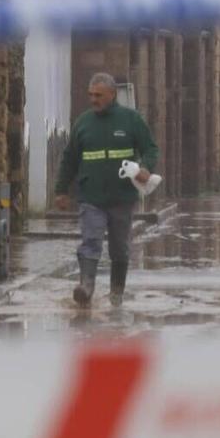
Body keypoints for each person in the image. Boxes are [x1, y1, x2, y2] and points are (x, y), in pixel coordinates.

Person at [54, 73, 159, 306]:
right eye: (91, 95)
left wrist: (145, 168)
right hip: (90, 195)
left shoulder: (131, 120)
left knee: (119, 248)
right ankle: (86, 286)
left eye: (98, 95)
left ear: (112, 95)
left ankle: (116, 291)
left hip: (121, 197)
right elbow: (69, 159)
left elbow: (151, 149)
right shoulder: (83, 123)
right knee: (90, 240)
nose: (93, 100)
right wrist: (61, 190)